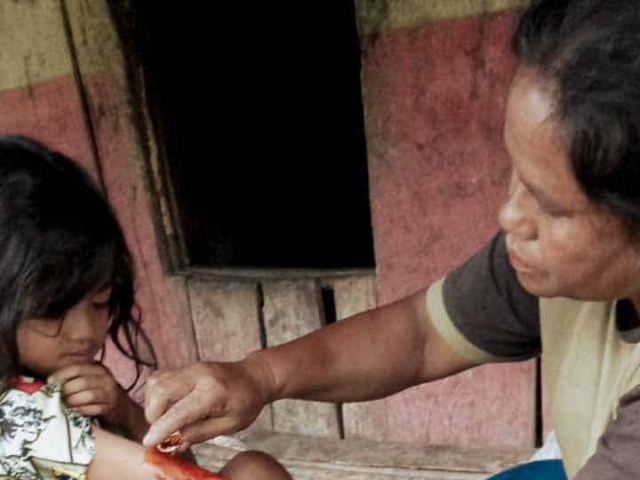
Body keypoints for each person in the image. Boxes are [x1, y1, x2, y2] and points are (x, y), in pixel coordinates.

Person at [140, 1, 640, 479]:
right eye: (516, 172)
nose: (509, 214)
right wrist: (258, 377)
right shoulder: (547, 267)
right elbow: (420, 335)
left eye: (550, 205)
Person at [0, 135, 291, 479]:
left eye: (100, 303)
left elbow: (181, 462)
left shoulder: (75, 386)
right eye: (53, 309)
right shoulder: (18, 416)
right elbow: (171, 475)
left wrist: (126, 413)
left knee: (252, 468)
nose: (86, 333)